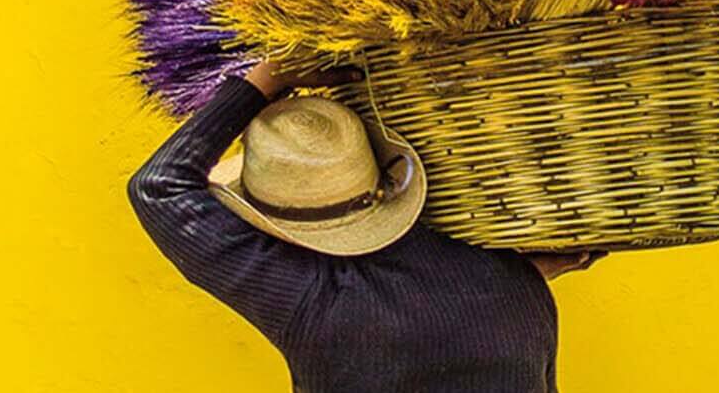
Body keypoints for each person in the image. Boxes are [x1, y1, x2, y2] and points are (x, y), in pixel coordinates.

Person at [128, 60, 603, 392]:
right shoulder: (515, 287)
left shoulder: (311, 303)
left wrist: (266, 80)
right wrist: (515, 279)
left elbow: (158, 187)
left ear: (279, 224)